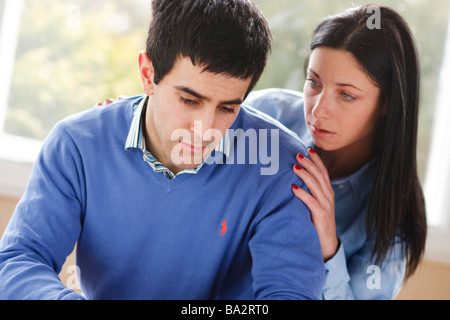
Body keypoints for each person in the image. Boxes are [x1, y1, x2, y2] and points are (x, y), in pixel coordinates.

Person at [0, 0, 325, 300]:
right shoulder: (76, 145)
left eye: (228, 107)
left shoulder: (279, 164)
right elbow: (19, 259)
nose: (205, 128)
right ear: (147, 74)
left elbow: (291, 294)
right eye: (189, 100)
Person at [245, 5, 427, 299]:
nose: (318, 111)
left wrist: (329, 245)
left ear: (388, 103)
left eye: (346, 95)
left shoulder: (392, 224)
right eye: (314, 82)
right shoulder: (263, 114)